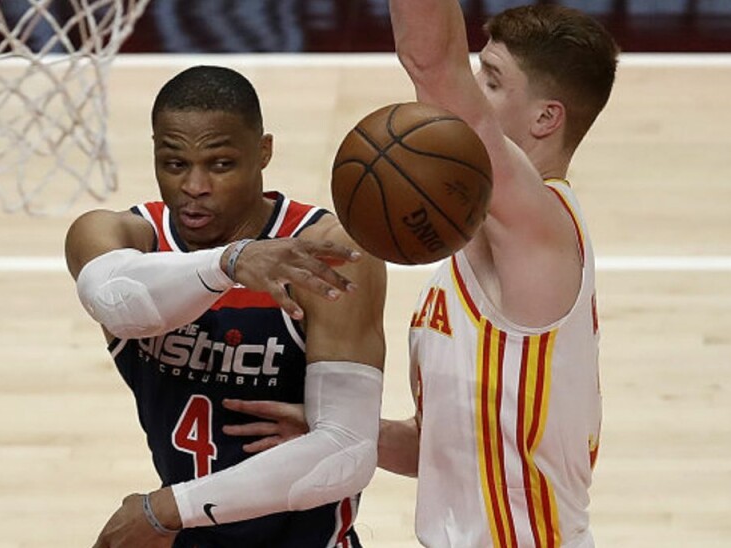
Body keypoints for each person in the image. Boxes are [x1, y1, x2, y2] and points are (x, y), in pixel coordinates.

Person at [228, 3, 618, 546]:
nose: (474, 96)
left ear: (545, 119)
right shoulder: (485, 252)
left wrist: (444, 73)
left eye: (493, 81)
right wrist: (340, 432)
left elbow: (432, 65)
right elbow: (440, 446)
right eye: (478, 76)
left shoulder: (538, 231)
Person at [65, 65, 387, 548]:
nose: (195, 186)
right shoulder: (117, 237)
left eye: (220, 165)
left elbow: (345, 453)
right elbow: (115, 301)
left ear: (263, 152)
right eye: (175, 165)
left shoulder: (324, 251)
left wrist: (166, 510)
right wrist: (230, 264)